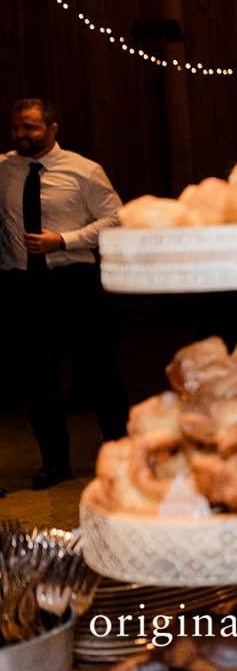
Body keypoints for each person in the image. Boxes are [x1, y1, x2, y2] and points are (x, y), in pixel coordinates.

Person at [1, 98, 128, 489]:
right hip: (24, 285)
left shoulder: (84, 170)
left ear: (53, 129)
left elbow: (119, 217)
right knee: (38, 378)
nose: (22, 135)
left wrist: (65, 240)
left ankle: (122, 458)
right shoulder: (4, 169)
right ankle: (54, 463)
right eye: (18, 128)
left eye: (31, 128)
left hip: (74, 279)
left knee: (101, 373)